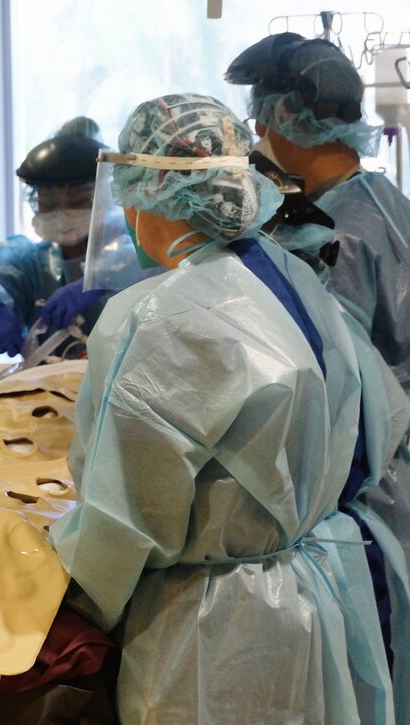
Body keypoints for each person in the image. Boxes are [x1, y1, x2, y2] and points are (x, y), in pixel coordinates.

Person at [48, 93, 399, 722]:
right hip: (314, 585)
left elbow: (127, 515)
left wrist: (70, 605)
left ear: (150, 193)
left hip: (216, 626)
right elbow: (383, 422)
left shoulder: (163, 316)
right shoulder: (288, 275)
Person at [227, 34, 410, 715]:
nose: (256, 134)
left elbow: (333, 390)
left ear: (288, 120)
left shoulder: (334, 234)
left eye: (260, 118)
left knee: (375, 673)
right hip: (398, 484)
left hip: (374, 499)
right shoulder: (385, 203)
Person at [0, 119, 111, 358]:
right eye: (49, 203)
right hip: (47, 389)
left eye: (78, 202)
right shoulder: (28, 265)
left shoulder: (130, 258)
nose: (62, 214)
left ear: (104, 197)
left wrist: (102, 281)